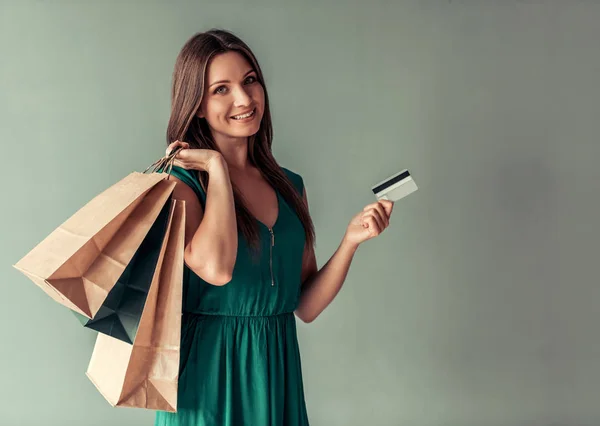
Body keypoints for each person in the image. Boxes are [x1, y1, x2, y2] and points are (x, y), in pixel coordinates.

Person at [154, 29, 394, 426]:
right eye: (221, 89)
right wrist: (214, 167)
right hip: (209, 378)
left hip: (277, 369)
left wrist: (352, 240)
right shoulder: (182, 186)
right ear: (195, 105)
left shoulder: (290, 185)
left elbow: (306, 306)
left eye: (250, 80)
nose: (244, 99)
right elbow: (216, 269)